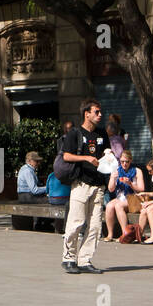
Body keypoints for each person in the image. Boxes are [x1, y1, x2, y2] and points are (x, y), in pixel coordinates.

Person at [59, 99, 109, 274]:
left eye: (100, 112)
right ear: (86, 113)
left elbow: (105, 155)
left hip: (99, 185)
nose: (100, 115)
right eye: (96, 112)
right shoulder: (75, 133)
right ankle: (68, 258)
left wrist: (110, 158)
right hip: (81, 184)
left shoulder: (102, 134)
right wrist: (86, 158)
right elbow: (66, 156)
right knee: (76, 222)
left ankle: (85, 260)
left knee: (95, 226)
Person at [102, 150, 142, 241]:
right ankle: (110, 234)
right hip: (120, 196)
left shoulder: (137, 171)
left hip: (133, 197)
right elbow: (111, 189)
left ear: (130, 161)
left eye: (127, 162)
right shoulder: (116, 171)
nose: (124, 164)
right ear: (120, 161)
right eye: (122, 161)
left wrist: (130, 184)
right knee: (109, 206)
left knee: (118, 206)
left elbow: (141, 188)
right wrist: (112, 178)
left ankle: (125, 233)